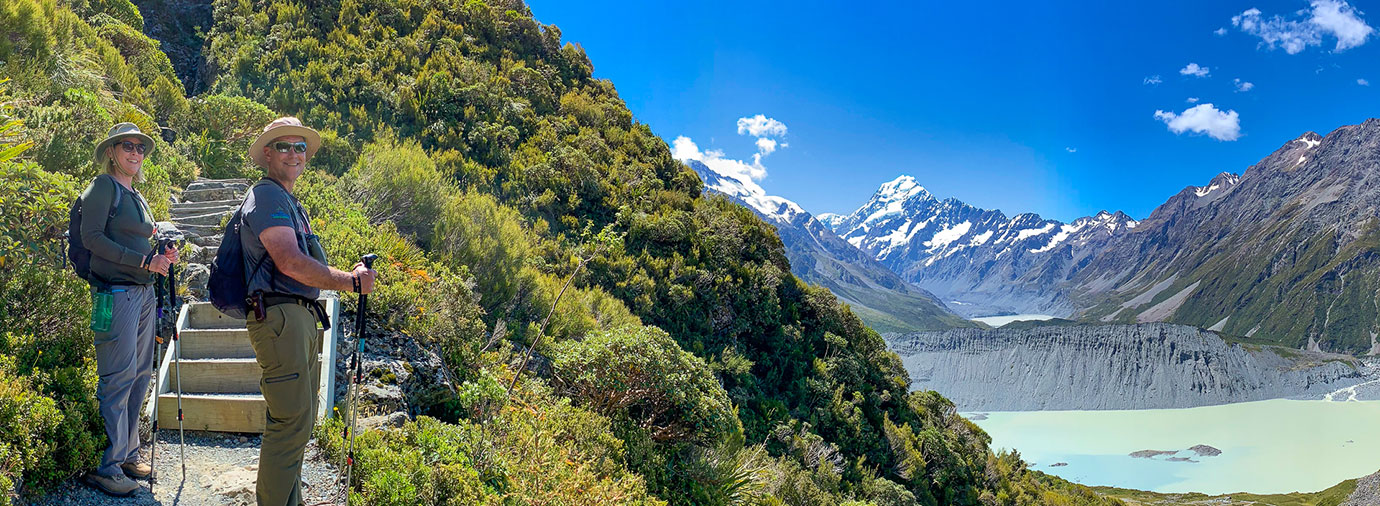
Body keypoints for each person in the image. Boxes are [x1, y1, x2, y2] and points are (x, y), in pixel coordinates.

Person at [239, 117, 376, 506]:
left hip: (294, 317)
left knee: (298, 421)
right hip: (281, 318)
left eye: (301, 147)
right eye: (285, 146)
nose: (295, 154)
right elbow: (288, 260)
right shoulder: (267, 196)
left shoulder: (286, 200)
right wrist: (350, 281)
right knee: (290, 421)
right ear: (268, 153)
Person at [81, 123, 178, 497]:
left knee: (139, 374)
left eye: (140, 148)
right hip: (114, 294)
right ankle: (108, 466)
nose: (135, 153)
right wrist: (143, 262)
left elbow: (142, 240)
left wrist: (162, 256)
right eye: (127, 146)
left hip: (141, 293)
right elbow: (92, 239)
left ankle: (128, 454)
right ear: (112, 151)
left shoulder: (136, 194)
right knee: (117, 377)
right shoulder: (103, 187)